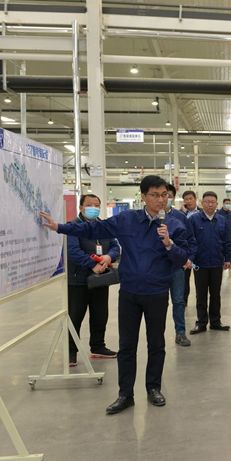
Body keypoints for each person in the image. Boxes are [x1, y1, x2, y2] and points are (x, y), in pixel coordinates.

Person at [40, 175, 189, 415]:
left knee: (156, 344)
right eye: (155, 195)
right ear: (143, 197)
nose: (161, 200)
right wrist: (60, 227)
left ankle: (153, 388)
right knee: (127, 345)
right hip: (129, 292)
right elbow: (93, 228)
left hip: (157, 292)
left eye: (164, 195)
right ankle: (125, 394)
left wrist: (169, 243)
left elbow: (183, 259)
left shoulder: (176, 224)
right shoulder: (127, 219)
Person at [66, 194, 120, 367]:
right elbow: (72, 251)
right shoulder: (73, 226)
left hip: (100, 279)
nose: (94, 208)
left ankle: (98, 346)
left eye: (97, 205)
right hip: (78, 280)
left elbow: (115, 246)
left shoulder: (103, 226)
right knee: (75, 317)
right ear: (81, 207)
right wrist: (92, 264)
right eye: (90, 205)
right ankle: (71, 352)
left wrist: (108, 257)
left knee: (100, 315)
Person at [188, 191, 231, 334]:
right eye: (207, 202)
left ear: (217, 204)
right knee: (201, 295)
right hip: (200, 264)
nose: (210, 204)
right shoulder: (194, 220)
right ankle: (201, 323)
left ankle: (215, 321)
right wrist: (191, 259)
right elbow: (190, 241)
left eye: (213, 202)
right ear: (202, 203)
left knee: (215, 294)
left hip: (216, 263)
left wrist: (227, 259)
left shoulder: (222, 220)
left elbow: (227, 241)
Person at [166, 184, 194, 347]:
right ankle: (157, 333)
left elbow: (191, 239)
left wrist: (189, 258)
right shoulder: (150, 216)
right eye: (160, 195)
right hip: (156, 268)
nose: (164, 199)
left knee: (178, 300)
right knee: (158, 302)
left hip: (176, 266)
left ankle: (180, 332)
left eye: (168, 195)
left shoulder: (180, 217)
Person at [181, 190, 200, 307]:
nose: (188, 201)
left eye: (190, 198)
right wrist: (183, 213)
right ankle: (184, 301)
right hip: (186, 251)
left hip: (200, 251)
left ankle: (200, 301)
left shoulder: (202, 212)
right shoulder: (180, 214)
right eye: (186, 199)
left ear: (195, 199)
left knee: (200, 280)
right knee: (184, 278)